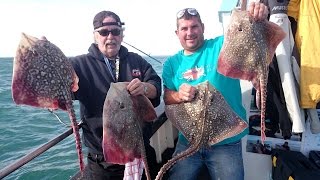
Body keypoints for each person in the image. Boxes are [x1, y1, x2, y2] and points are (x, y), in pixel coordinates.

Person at [161, 2, 269, 180]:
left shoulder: (221, 46)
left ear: (202, 27)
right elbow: (167, 97)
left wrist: (256, 15)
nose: (190, 32)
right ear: (177, 33)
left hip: (225, 141)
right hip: (189, 141)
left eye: (194, 26)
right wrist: (179, 95)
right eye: (184, 28)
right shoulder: (172, 64)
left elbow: (243, 30)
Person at [69, 10, 162, 180]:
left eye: (115, 31)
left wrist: (145, 88)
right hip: (104, 160)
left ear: (121, 34)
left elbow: (156, 86)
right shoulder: (80, 64)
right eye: (104, 32)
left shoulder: (136, 61)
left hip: (140, 150)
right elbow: (61, 89)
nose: (110, 36)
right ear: (95, 36)